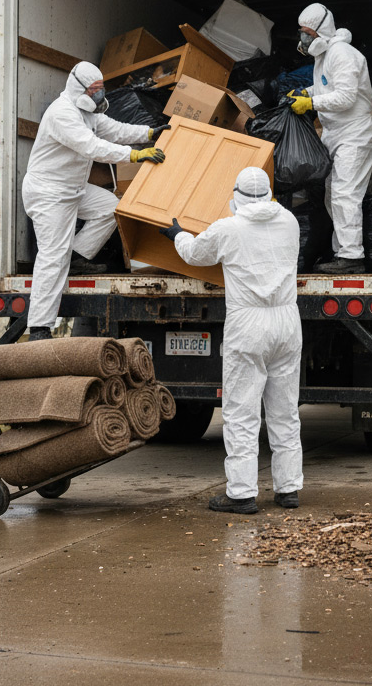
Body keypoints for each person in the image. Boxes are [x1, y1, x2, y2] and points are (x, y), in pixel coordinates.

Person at [160, 167, 303, 514]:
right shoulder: (290, 222)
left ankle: (241, 493)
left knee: (241, 411)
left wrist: (178, 234)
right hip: (287, 319)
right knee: (285, 411)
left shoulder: (229, 228)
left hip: (249, 322)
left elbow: (195, 254)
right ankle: (288, 489)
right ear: (269, 192)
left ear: (237, 195)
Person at [23, 61, 168, 340]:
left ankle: (76, 257)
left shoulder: (87, 110)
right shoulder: (62, 114)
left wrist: (148, 134)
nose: (100, 95)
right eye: (95, 90)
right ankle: (39, 328)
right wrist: (134, 155)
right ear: (79, 89)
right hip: (49, 194)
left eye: (101, 89)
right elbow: (91, 147)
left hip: (73, 189)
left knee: (111, 207)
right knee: (53, 257)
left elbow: (112, 129)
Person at [289, 3, 372, 274]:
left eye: (308, 33)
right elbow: (326, 85)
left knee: (345, 193)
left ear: (321, 30)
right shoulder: (325, 55)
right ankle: (342, 253)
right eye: (301, 32)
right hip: (336, 132)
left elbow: (346, 96)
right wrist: (305, 92)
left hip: (355, 131)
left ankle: (351, 258)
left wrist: (311, 103)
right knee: (333, 194)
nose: (304, 39)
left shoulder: (343, 54)